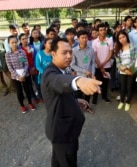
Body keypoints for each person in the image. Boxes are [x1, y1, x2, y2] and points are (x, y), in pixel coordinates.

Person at [41, 38, 102, 167]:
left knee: (58, 160)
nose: (69, 56)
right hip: (62, 133)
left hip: (65, 131)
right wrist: (79, 81)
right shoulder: (50, 74)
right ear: (53, 54)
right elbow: (59, 81)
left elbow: (61, 92)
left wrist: (76, 100)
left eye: (70, 52)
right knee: (68, 162)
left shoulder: (63, 69)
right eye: (64, 53)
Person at [5, 35, 35, 113]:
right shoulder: (7, 54)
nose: (14, 44)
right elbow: (10, 67)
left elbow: (26, 63)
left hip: (25, 74)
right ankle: (22, 105)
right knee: (19, 92)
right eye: (12, 43)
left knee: (27, 90)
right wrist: (18, 76)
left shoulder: (22, 52)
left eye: (15, 42)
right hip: (15, 77)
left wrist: (23, 74)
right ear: (9, 44)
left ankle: (30, 103)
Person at [71, 30, 95, 113]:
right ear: (78, 39)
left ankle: (87, 107)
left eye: (86, 37)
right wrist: (84, 71)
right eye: (82, 38)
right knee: (78, 94)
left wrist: (93, 74)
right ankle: (78, 108)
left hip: (89, 76)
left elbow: (93, 62)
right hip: (79, 76)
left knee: (88, 93)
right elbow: (73, 65)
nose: (85, 39)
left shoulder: (91, 50)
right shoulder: (74, 51)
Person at [92, 23, 114, 104]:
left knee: (105, 82)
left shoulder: (110, 40)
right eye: (101, 30)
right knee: (96, 82)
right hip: (97, 66)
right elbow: (95, 55)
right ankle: (95, 98)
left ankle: (104, 96)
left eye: (104, 30)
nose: (103, 32)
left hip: (107, 66)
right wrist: (100, 65)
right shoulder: (94, 42)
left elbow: (110, 53)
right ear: (97, 32)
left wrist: (103, 64)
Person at [115, 30, 136, 111]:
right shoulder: (117, 48)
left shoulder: (132, 46)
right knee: (122, 88)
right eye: (120, 38)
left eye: (123, 37)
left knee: (129, 87)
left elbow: (134, 60)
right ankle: (122, 101)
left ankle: (128, 102)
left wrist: (127, 68)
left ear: (126, 36)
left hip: (130, 70)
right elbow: (117, 62)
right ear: (118, 40)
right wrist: (123, 68)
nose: (122, 39)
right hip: (122, 71)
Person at [19, 33, 39, 103]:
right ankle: (33, 97)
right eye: (23, 39)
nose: (25, 40)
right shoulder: (19, 50)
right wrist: (28, 69)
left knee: (37, 82)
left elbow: (36, 57)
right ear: (20, 41)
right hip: (26, 69)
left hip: (34, 68)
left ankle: (39, 95)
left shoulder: (32, 47)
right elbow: (22, 61)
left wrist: (34, 67)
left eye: (26, 38)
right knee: (29, 84)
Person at [35, 38, 53, 102]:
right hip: (43, 75)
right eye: (50, 43)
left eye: (52, 43)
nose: (51, 44)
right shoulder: (39, 54)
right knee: (44, 88)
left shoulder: (54, 53)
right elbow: (38, 66)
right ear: (45, 44)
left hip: (53, 75)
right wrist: (45, 72)